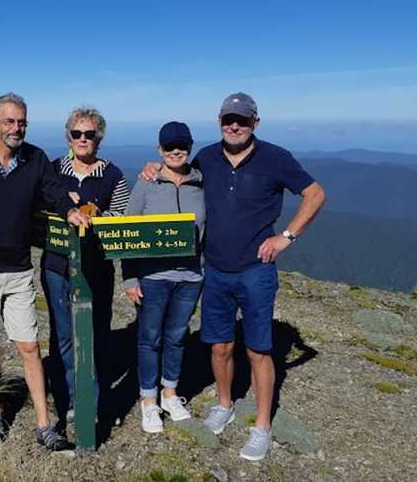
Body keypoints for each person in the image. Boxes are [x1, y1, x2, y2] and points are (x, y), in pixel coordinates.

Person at [140, 93, 325, 460]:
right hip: (216, 270)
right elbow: (179, 173)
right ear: (219, 121)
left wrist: (285, 237)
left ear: (255, 122)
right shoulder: (206, 158)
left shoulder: (275, 157)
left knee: (258, 350)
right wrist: (152, 169)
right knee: (220, 346)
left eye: (241, 119)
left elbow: (315, 194)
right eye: (228, 119)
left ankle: (261, 426)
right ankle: (224, 405)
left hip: (257, 271)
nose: (234, 125)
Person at [0, 92, 91, 451]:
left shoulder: (35, 158)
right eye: (9, 121)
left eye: (21, 121)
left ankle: (43, 424)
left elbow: (53, 190)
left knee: (28, 344)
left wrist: (69, 211)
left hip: (17, 267)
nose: (17, 128)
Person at [40, 107, 129, 423]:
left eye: (89, 134)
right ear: (68, 136)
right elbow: (39, 209)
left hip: (97, 267)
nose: (82, 139)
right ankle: (69, 402)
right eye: (76, 133)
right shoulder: (51, 170)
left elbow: (122, 217)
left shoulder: (113, 175)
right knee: (63, 336)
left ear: (98, 138)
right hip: (56, 265)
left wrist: (92, 214)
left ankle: (99, 403)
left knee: (98, 335)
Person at [123, 122, 206, 434]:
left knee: (177, 335)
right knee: (150, 338)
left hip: (191, 277)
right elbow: (129, 233)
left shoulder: (201, 182)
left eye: (181, 146)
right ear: (159, 149)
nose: (175, 151)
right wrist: (130, 279)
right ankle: (148, 400)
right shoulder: (146, 182)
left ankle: (170, 394)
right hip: (153, 277)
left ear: (189, 147)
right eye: (169, 146)